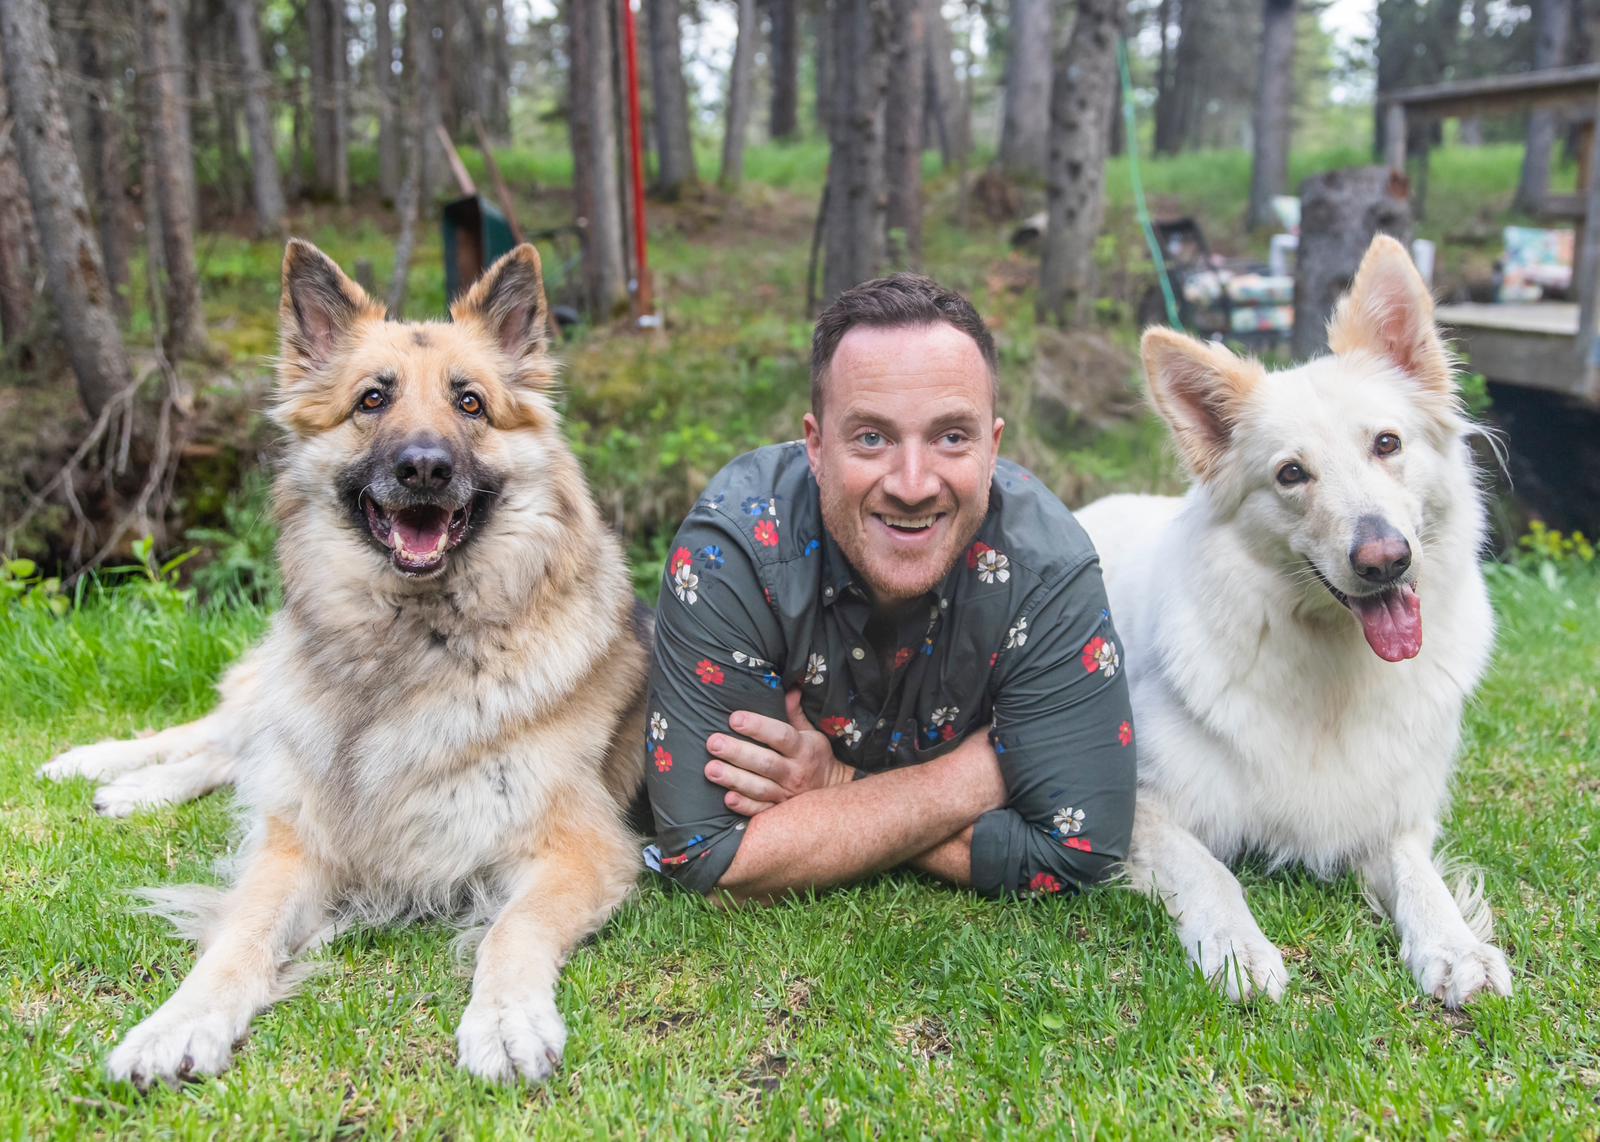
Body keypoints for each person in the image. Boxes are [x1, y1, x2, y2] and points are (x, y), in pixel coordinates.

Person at [642, 274, 1136, 903]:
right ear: (816, 446)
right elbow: (708, 856)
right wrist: (984, 772)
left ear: (993, 446)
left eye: (951, 436)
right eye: (871, 437)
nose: (911, 483)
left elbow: (1082, 854)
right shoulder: (730, 554)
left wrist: (838, 782)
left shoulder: (1048, 571)